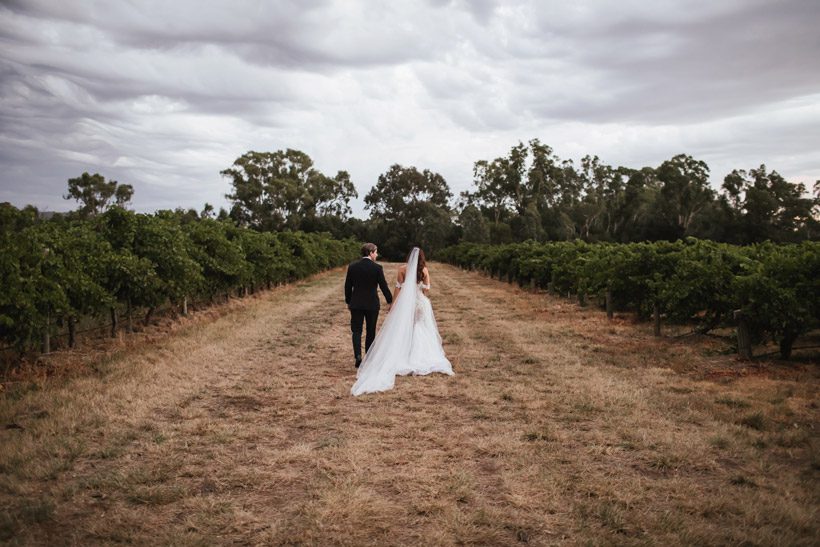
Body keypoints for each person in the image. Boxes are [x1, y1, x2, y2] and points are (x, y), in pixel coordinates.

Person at [351, 247, 453, 396]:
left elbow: (398, 288)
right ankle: (419, 356)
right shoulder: (424, 270)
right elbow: (427, 289)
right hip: (420, 302)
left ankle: (402, 354)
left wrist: (394, 304)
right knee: (421, 328)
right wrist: (419, 295)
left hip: (406, 303)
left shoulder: (402, 269)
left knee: (403, 328)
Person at [344, 243, 393, 368]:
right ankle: (369, 358)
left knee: (356, 331)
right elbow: (383, 286)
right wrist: (390, 300)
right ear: (370, 253)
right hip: (372, 304)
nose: (376, 254)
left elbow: (348, 286)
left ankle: (358, 357)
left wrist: (349, 301)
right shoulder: (377, 268)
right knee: (370, 331)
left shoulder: (353, 266)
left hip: (356, 304)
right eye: (376, 252)